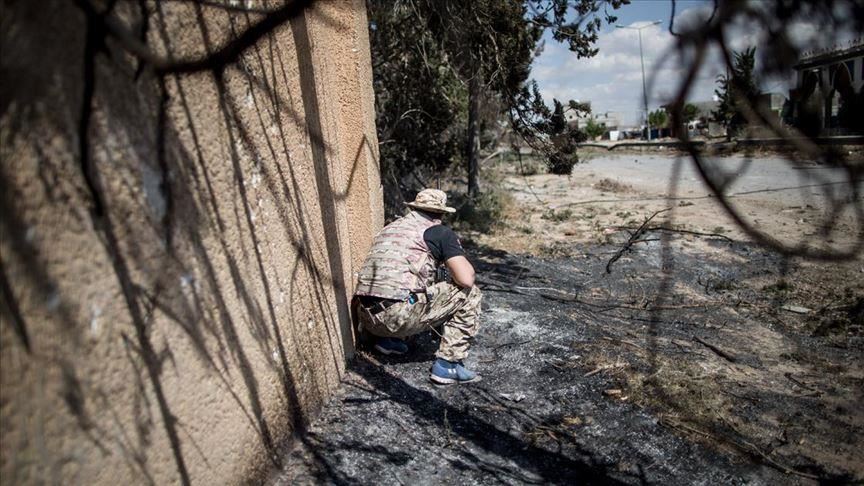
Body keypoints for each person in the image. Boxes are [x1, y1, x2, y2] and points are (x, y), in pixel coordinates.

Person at [354, 188, 482, 384]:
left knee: (410, 286)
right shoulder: (439, 232)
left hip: (366, 318)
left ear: (414, 208)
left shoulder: (391, 228)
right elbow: (466, 279)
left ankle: (388, 342)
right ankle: (448, 365)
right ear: (441, 213)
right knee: (470, 293)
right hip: (396, 317)